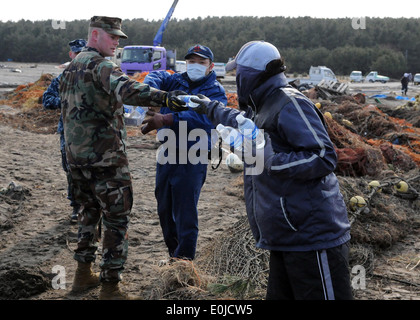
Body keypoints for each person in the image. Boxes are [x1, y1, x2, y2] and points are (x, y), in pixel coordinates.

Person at [190, 41, 353, 300]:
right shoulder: (264, 103)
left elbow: (323, 156)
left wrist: (270, 160)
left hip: (312, 238)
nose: (236, 79)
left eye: (238, 74)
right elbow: (241, 122)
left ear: (251, 75)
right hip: (285, 236)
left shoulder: (291, 103)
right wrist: (209, 107)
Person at [59, 16, 186, 300]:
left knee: (87, 215)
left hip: (77, 160)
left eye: (119, 37)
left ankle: (82, 276)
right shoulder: (102, 65)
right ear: (94, 36)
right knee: (116, 219)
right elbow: (128, 90)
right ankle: (110, 287)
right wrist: (167, 98)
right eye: (112, 36)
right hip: (106, 160)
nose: (117, 42)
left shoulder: (70, 68)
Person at [141, 44, 227, 262]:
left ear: (211, 66)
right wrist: (152, 94)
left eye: (201, 62)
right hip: (167, 152)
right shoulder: (175, 80)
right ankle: (174, 255)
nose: (195, 66)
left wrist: (168, 118)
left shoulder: (214, 90)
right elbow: (155, 75)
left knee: (185, 211)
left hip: (193, 156)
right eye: (191, 61)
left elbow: (207, 118)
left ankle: (185, 262)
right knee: (164, 207)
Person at [42, 39, 87, 223]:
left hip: (91, 133)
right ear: (71, 55)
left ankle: (89, 206)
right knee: (71, 170)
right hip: (68, 132)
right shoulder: (62, 79)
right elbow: (47, 100)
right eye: (76, 53)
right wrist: (66, 100)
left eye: (81, 54)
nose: (78, 57)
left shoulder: (92, 77)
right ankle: (76, 207)